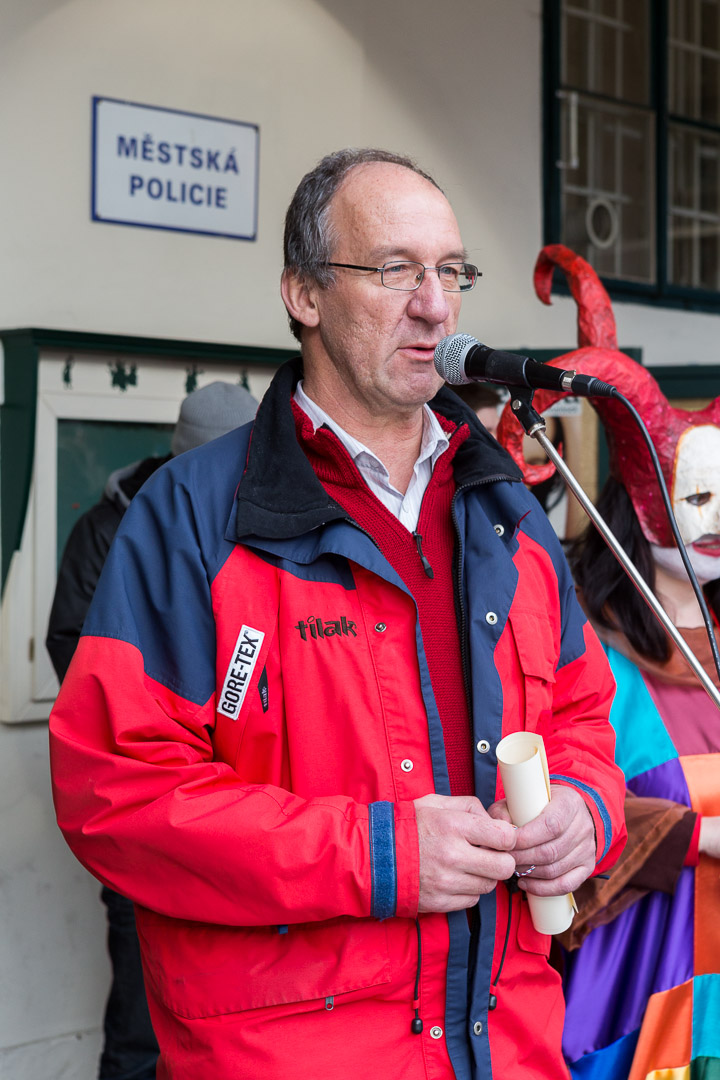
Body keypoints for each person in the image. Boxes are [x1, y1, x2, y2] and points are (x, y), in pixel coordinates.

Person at [49, 149, 625, 1080]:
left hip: (506, 1047)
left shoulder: (508, 513)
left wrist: (585, 814)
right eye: (395, 269)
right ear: (303, 295)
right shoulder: (196, 516)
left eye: (451, 272)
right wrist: (380, 855)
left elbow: (580, 722)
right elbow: (116, 796)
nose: (435, 305)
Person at [498, 243, 720, 1079]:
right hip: (642, 977)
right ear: (639, 497)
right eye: (695, 497)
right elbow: (554, 812)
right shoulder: (584, 647)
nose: (714, 521)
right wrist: (701, 836)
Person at [46, 379, 258, 1080]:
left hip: (250, 823)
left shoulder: (261, 522)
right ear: (185, 461)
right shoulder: (107, 531)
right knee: (142, 1024)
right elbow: (76, 656)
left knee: (241, 1022)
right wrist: (188, 705)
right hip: (150, 812)